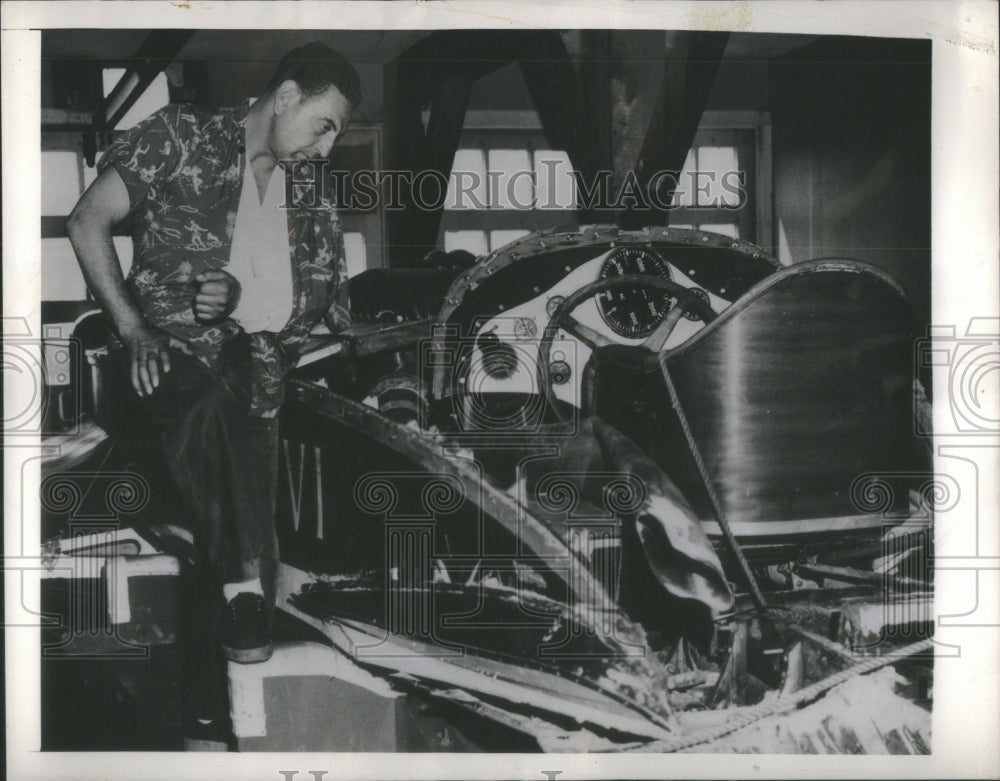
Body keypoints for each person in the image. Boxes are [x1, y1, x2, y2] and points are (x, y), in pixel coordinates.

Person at [67, 42, 361, 748]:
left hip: (253, 379)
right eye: (323, 124)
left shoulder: (310, 196)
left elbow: (325, 319)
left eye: (336, 137)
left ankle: (223, 721)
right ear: (286, 95)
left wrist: (257, 311)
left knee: (247, 414)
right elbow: (86, 221)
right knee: (219, 402)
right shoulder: (181, 136)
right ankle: (245, 591)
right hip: (160, 362)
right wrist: (134, 328)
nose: (326, 146)